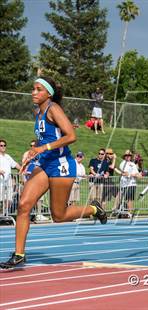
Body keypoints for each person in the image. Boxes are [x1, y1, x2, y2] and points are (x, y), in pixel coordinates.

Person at [0, 77, 107, 269]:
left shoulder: (54, 109)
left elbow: (71, 136)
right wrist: (33, 154)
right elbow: (44, 138)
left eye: (38, 89)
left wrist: (44, 147)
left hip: (61, 165)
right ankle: (19, 254)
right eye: (33, 89)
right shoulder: (38, 113)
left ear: (48, 94)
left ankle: (93, 209)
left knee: (58, 215)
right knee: (24, 205)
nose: (33, 92)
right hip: (44, 163)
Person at [0, 139, 22, 215]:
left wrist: (23, 170)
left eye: (4, 145)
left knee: (9, 200)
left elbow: (15, 165)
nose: (3, 147)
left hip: (8, 182)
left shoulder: (7, 156)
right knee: (1, 199)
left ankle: (3, 215)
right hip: (0, 182)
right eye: (1, 145)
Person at [119, 150, 142, 214]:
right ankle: (128, 212)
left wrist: (138, 175)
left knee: (131, 199)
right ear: (124, 156)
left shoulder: (132, 164)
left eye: (129, 156)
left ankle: (130, 212)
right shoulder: (122, 163)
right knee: (128, 198)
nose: (128, 157)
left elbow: (137, 173)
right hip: (126, 184)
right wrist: (134, 175)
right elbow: (126, 174)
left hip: (133, 183)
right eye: (127, 155)